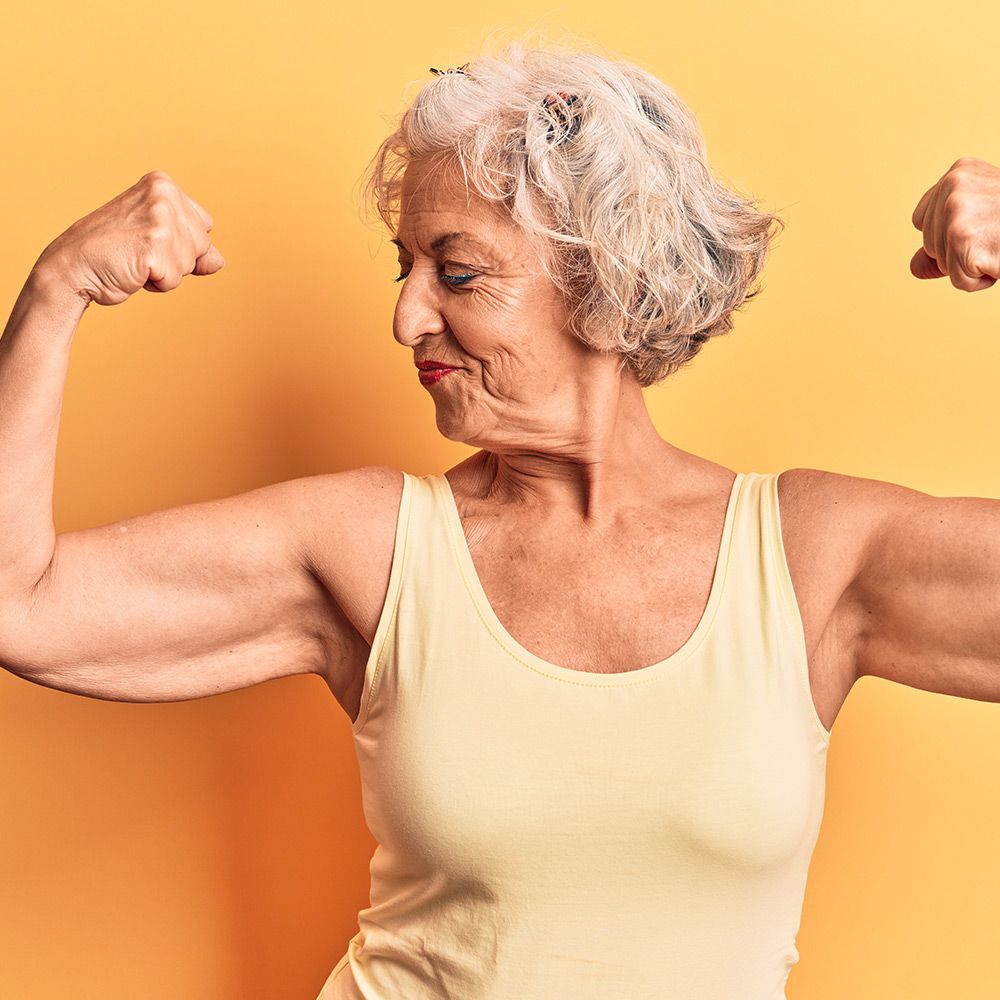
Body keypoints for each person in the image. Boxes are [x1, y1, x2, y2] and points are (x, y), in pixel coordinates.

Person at [1, 37, 999, 1000]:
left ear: (607, 276)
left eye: (457, 270)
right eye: (405, 268)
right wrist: (55, 291)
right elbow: (23, 604)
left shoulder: (811, 559)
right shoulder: (375, 550)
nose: (406, 317)